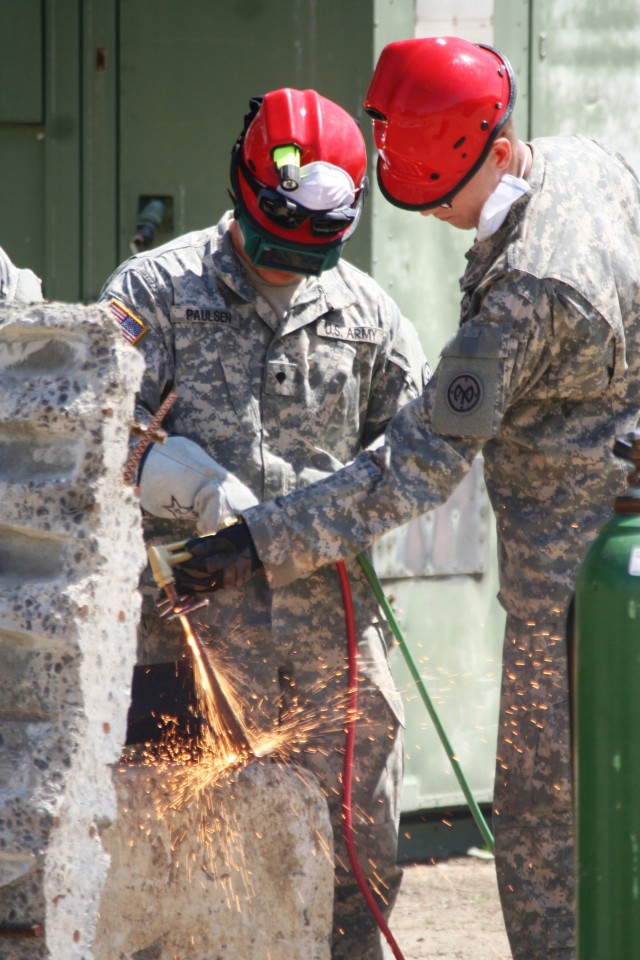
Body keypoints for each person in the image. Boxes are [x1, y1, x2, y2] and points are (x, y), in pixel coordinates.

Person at [170, 38, 640, 960]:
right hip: (620, 561)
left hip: (574, 602)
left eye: (445, 202)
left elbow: (416, 467)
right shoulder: (595, 166)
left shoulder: (518, 301)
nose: (444, 225)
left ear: (489, 153)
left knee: (551, 846)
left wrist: (261, 540)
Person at [99, 87, 428, 960]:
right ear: (241, 192)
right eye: (274, 246)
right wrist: (188, 485)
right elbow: (93, 438)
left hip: (329, 650)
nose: (287, 268)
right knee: (182, 873)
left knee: (354, 869)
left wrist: (283, 535)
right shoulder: (156, 293)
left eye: (309, 256)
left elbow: (418, 466)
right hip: (184, 649)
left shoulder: (368, 320)